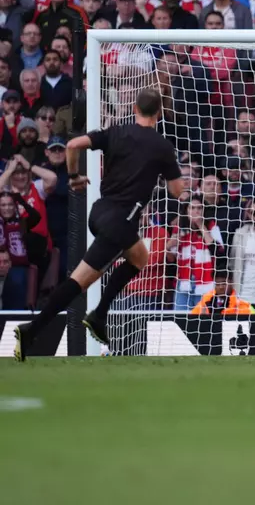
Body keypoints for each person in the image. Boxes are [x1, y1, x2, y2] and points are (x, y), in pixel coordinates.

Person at [14, 89, 183, 361]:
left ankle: (99, 314)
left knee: (139, 256)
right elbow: (176, 190)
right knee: (79, 282)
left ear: (136, 109)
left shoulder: (115, 132)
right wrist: (172, 177)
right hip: (120, 222)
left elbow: (72, 145)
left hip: (99, 212)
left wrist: (73, 176)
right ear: (159, 113)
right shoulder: (161, 146)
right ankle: (34, 329)